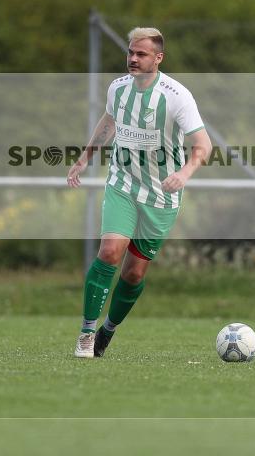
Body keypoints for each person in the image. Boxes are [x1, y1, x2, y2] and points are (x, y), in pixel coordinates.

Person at [67, 27, 212, 358]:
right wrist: (85, 158)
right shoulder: (117, 88)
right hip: (123, 184)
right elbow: (109, 123)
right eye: (130, 52)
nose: (133, 58)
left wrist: (184, 173)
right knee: (109, 252)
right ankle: (86, 333)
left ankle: (107, 330)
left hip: (161, 195)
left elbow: (203, 144)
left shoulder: (176, 96)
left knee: (133, 273)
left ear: (158, 58)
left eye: (141, 54)